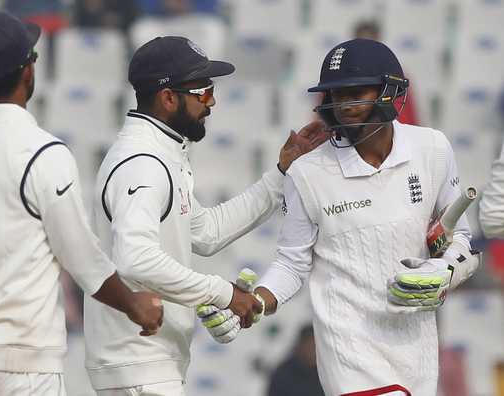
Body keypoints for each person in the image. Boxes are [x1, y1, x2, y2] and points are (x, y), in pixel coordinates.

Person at [0, 11, 163, 396]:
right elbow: (83, 259)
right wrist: (134, 305)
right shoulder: (43, 153)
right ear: (29, 72)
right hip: (19, 365)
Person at [84, 36, 329, 396]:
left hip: (146, 363)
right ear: (168, 98)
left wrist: (280, 174)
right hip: (137, 364)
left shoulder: (162, 155)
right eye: (203, 90)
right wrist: (221, 293)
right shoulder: (143, 163)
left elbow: (206, 232)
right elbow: (134, 259)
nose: (212, 101)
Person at [232, 38, 478, 395]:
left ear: (390, 91)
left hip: (416, 345)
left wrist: (444, 271)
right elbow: (292, 262)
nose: (344, 105)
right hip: (348, 349)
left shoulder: (433, 148)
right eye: (336, 95)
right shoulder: (307, 173)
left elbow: (460, 239)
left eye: (356, 92)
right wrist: (256, 301)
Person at [353, 19, 420, 126]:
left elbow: (408, 121)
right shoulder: (337, 78)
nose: (366, 50)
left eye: (371, 44)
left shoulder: (396, 77)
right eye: (361, 44)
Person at [267, 324, 325, 396]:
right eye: (309, 345)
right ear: (300, 346)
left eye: (316, 345)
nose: (312, 349)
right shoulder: (283, 375)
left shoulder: (328, 373)